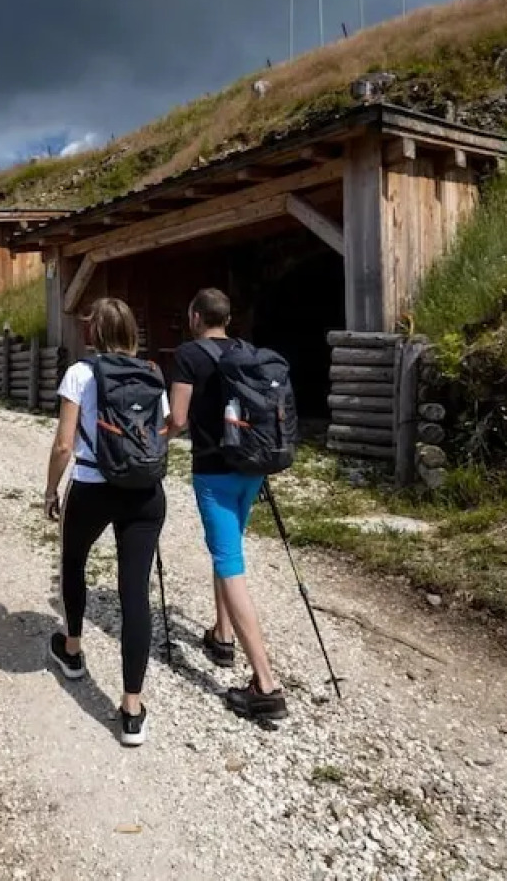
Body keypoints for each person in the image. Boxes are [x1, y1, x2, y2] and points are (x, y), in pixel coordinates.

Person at [44, 297, 170, 746]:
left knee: (74, 562)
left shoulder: (80, 374)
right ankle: (132, 708)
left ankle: (73, 650)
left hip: (94, 487)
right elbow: (165, 430)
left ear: (93, 332)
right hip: (145, 492)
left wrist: (50, 490)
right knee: (134, 593)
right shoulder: (153, 375)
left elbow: (63, 445)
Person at [167, 287, 288, 719]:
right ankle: (221, 635)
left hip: (214, 472)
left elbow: (178, 420)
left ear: (197, 315)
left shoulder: (187, 355)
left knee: (230, 562)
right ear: (228, 318)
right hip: (251, 468)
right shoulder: (247, 352)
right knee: (228, 549)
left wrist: (154, 437)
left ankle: (266, 685)